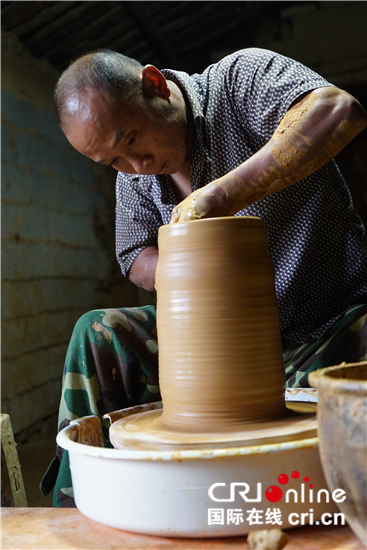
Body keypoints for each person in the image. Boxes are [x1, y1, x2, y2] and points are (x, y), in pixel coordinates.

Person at [41, 48, 367, 506]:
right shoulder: (133, 173)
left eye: (132, 139)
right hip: (217, 343)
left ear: (155, 85)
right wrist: (190, 267)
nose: (135, 166)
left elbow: (338, 110)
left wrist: (221, 197)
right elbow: (134, 253)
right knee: (98, 333)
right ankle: (79, 510)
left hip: (326, 327)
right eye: (112, 161)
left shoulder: (238, 83)